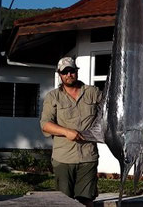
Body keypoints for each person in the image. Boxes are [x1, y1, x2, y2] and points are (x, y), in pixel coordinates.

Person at [40, 57, 101, 207]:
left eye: (71, 71)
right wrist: (66, 132)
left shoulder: (93, 92)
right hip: (63, 158)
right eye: (64, 72)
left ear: (76, 72)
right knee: (64, 201)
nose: (69, 74)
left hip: (88, 156)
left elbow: (109, 112)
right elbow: (45, 124)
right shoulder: (53, 96)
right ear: (59, 75)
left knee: (86, 199)